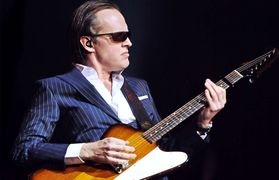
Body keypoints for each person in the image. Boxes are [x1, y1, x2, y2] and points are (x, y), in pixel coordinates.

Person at [12, 0, 226, 179]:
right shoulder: (55, 87)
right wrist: (87, 150)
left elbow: (166, 150)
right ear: (89, 43)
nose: (129, 43)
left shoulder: (138, 87)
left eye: (129, 34)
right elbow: (24, 150)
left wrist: (203, 123)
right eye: (119, 36)